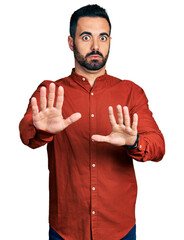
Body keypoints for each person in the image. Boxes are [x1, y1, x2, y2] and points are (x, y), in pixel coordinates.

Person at [19, 4, 165, 240]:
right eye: (86, 37)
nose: (96, 46)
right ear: (70, 42)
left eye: (103, 37)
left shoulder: (130, 92)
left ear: (110, 41)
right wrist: (41, 130)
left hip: (119, 228)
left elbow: (158, 146)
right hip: (66, 228)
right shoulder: (50, 92)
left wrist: (134, 141)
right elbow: (25, 133)